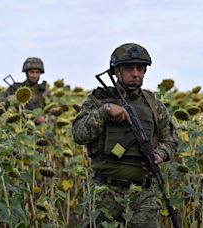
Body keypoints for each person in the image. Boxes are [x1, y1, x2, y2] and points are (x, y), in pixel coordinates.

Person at [72, 43, 178, 227]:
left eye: (140, 68)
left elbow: (170, 139)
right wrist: (104, 111)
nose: (135, 73)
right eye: (129, 68)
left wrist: (160, 154)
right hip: (105, 192)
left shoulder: (154, 105)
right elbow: (79, 134)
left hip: (143, 194)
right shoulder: (99, 99)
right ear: (115, 72)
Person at [0, 57, 49, 124]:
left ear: (40, 73)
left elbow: (51, 111)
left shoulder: (44, 91)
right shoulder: (16, 87)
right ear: (26, 73)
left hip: (38, 129)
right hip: (18, 126)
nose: (34, 75)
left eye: (37, 72)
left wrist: (43, 118)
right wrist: (10, 99)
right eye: (32, 72)